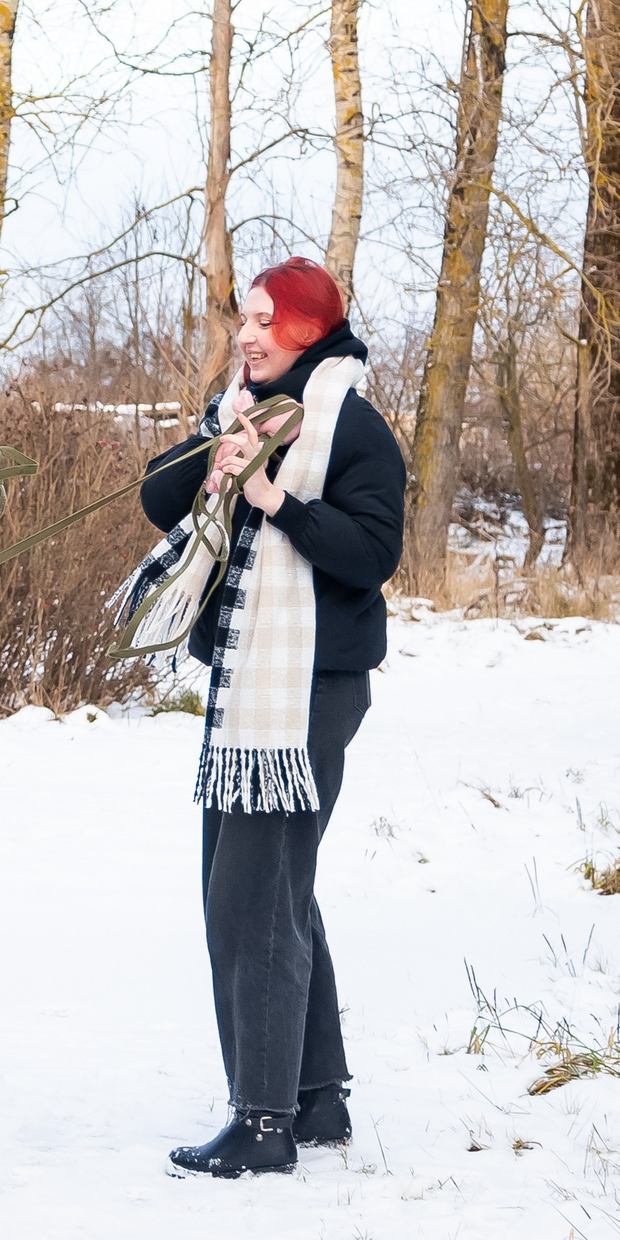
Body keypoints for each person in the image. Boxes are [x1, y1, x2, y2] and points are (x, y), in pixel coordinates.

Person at [127, 258, 404, 1177]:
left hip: (309, 691)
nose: (246, 336)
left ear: (310, 330)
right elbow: (157, 498)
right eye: (242, 320)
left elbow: (370, 555)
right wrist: (218, 452)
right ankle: (316, 1099)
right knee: (272, 887)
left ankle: (263, 1121)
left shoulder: (352, 428)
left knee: (248, 896)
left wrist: (276, 499)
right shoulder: (239, 410)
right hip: (248, 684)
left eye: (264, 322)